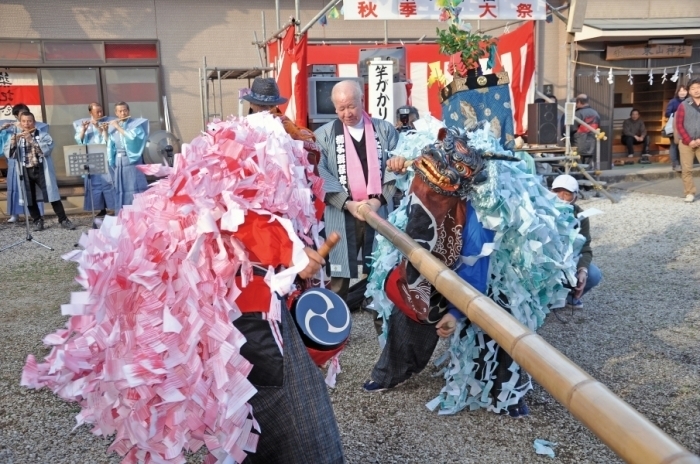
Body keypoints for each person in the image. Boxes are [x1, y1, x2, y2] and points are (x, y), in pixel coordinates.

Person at [314, 80, 403, 302]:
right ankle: (336, 331)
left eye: (351, 106)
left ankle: (382, 328)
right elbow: (319, 173)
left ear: (362, 101)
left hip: (378, 210)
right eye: (341, 108)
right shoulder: (322, 135)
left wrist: (378, 200)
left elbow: (396, 165)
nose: (347, 113)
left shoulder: (385, 130)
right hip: (342, 211)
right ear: (335, 108)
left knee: (381, 270)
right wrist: (348, 203)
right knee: (338, 276)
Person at [6, 112, 75, 231]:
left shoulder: (43, 135)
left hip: (41, 169)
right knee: (29, 197)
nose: (26, 124)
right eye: (23, 121)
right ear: (20, 123)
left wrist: (31, 140)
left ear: (34, 122)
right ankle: (37, 220)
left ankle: (63, 219)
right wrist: (13, 142)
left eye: (29, 121)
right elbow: (9, 154)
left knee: (52, 195)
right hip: (25, 170)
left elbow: (47, 151)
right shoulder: (16, 136)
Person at [244, 77, 322, 171]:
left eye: (269, 106)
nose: (265, 110)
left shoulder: (288, 128)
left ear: (251, 104)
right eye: (261, 106)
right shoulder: (292, 130)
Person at [551, 174, 602, 308]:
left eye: (566, 194)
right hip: (544, 263)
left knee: (594, 274)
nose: (560, 198)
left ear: (575, 198)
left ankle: (570, 297)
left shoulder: (580, 217)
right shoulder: (540, 210)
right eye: (557, 192)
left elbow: (585, 248)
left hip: (567, 262)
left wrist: (582, 270)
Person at [1, 103, 45, 222]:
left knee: (33, 188)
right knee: (15, 187)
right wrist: (3, 129)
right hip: (14, 161)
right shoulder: (11, 127)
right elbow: (6, 147)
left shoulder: (34, 127)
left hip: (30, 163)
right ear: (16, 116)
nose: (25, 120)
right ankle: (15, 214)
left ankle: (38, 214)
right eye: (21, 116)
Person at [105, 102, 149, 212]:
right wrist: (105, 131)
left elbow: (133, 139)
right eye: (120, 111)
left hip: (132, 160)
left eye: (125, 110)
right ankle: (122, 214)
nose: (123, 113)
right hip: (119, 161)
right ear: (116, 113)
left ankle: (139, 212)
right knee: (121, 189)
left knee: (135, 186)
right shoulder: (113, 127)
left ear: (128, 111)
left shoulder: (135, 124)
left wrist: (118, 127)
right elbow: (110, 145)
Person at [74, 102, 115, 216]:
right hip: (91, 158)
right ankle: (101, 209)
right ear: (90, 112)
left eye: (101, 111)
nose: (100, 113)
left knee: (108, 183)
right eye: (97, 112)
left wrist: (98, 127)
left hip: (105, 157)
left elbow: (108, 140)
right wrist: (84, 129)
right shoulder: (82, 124)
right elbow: (79, 141)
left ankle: (112, 207)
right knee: (95, 185)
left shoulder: (106, 122)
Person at [674, 78, 700, 203]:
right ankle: (689, 192)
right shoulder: (683, 105)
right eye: (693, 88)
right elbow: (679, 125)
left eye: (698, 87)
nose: (696, 90)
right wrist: (689, 140)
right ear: (689, 91)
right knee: (687, 169)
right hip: (686, 143)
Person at [665, 85, 688, 172]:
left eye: (684, 91)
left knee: (685, 145)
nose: (682, 92)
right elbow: (667, 113)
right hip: (675, 126)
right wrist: (677, 113)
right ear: (677, 92)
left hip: (686, 126)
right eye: (680, 91)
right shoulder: (673, 101)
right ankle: (675, 164)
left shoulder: (689, 102)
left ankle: (684, 164)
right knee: (674, 145)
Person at [573, 94, 600, 163]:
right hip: (592, 142)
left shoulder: (578, 113)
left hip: (579, 142)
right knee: (589, 163)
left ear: (579, 102)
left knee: (579, 165)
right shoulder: (595, 113)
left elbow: (572, 128)